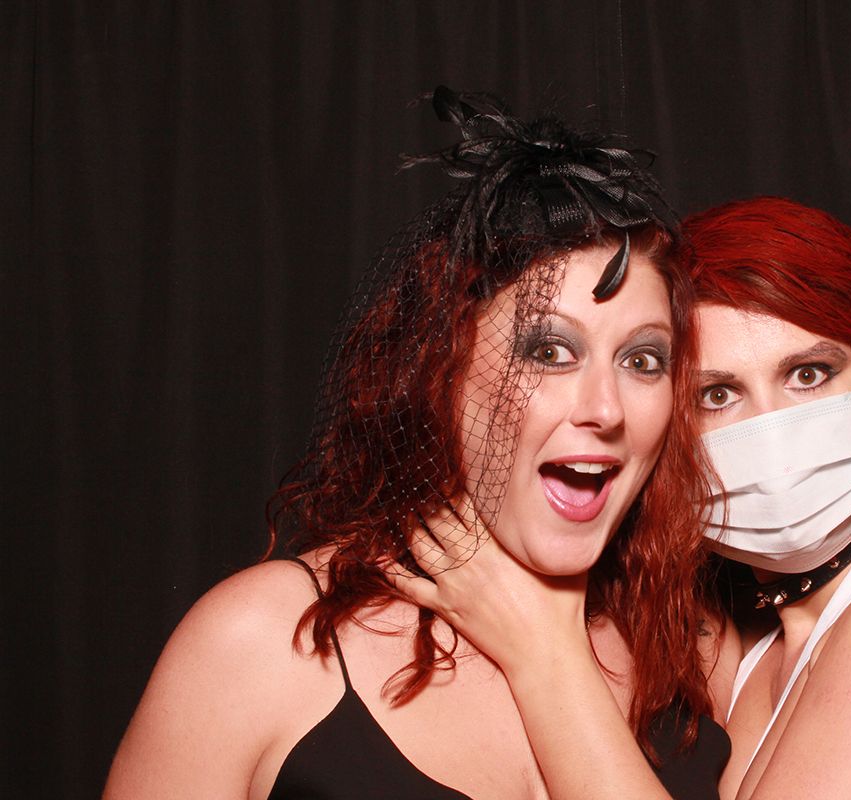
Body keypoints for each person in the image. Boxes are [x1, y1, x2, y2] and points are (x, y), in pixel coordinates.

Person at [103, 88, 736, 800]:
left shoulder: (693, 654)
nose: (606, 409)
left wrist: (547, 653)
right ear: (445, 370)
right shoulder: (264, 640)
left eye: (643, 361)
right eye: (548, 351)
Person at [399, 196, 851, 798]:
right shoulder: (745, 665)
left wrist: (541, 650)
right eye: (718, 394)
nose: (771, 427)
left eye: (809, 375)